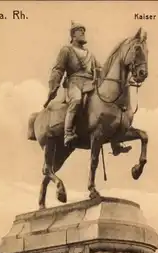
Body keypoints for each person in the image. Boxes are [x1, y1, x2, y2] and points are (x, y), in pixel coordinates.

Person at [47, 21, 131, 155]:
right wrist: (54, 86)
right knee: (77, 100)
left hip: (90, 84)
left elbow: (100, 69)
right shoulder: (66, 50)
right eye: (80, 31)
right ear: (73, 35)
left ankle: (115, 140)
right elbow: (58, 69)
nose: (83, 33)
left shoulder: (89, 54)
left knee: (105, 101)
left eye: (83, 31)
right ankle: (68, 133)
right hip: (74, 83)